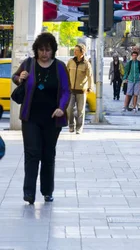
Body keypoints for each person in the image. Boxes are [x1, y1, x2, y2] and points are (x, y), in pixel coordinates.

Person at [12, 32, 70, 204]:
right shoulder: (29, 64)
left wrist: (61, 108)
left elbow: (66, 90)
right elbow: (15, 77)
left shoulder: (60, 67)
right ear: (36, 50)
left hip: (52, 119)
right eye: (41, 50)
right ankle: (29, 193)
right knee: (32, 153)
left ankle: (47, 191)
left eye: (48, 50)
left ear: (53, 51)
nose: (44, 53)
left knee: (48, 154)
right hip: (30, 117)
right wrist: (19, 78)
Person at [66, 44, 93, 134]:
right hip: (70, 90)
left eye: (77, 50)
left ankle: (79, 128)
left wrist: (90, 87)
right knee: (69, 109)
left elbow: (90, 76)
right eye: (75, 50)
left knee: (80, 111)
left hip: (81, 91)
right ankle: (71, 125)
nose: (75, 52)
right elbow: (66, 74)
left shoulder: (86, 64)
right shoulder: (70, 61)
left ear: (82, 52)